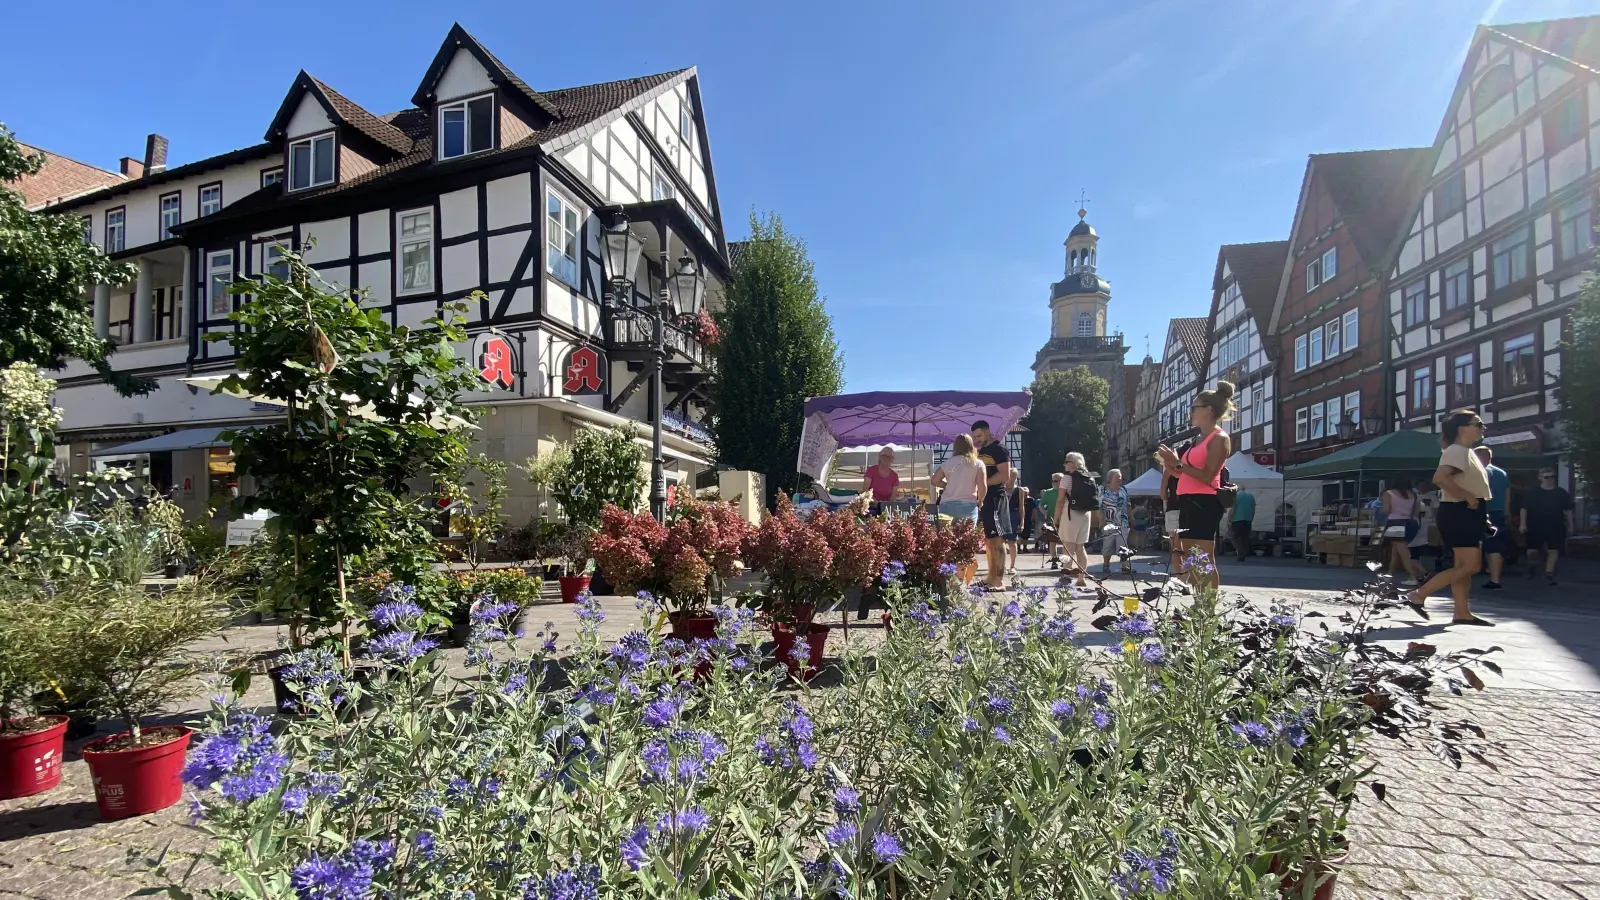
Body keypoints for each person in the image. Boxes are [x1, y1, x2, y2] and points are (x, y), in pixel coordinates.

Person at [1404, 409, 1494, 626]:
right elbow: (1440, 478)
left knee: (1463, 567)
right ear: (1463, 429)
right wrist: (1469, 499)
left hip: (1463, 511)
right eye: (1478, 424)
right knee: (1470, 566)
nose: (1483, 427)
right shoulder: (1457, 451)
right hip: (1460, 511)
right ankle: (1418, 595)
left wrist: (1479, 512)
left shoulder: (1465, 451)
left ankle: (1462, 613)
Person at [1157, 381, 1236, 591]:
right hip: (1187, 500)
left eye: (1194, 407)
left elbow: (1209, 476)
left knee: (1203, 557)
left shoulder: (1219, 438)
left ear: (1208, 410)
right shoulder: (1198, 439)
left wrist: (1178, 464)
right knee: (1191, 557)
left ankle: (1207, 606)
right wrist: (1170, 464)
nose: (1190, 412)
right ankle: (1199, 602)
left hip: (1205, 501)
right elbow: (1184, 473)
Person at [970, 420, 1012, 589]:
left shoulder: (999, 449)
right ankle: (990, 577)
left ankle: (999, 581)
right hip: (984, 500)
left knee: (997, 540)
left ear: (987, 431)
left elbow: (1004, 475)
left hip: (996, 498)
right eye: (975, 437)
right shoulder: (981, 451)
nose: (977, 440)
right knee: (988, 540)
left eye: (979, 436)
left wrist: (983, 484)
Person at [1520, 468, 1573, 586]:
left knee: (1553, 549)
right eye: (1547, 477)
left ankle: (1549, 572)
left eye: (1552, 476)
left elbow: (1568, 510)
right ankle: (1532, 566)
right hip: (1535, 525)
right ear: (1540, 478)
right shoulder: (1533, 492)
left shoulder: (1561, 493)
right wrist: (1523, 524)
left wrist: (1571, 525)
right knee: (1532, 550)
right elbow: (1524, 508)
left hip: (1555, 525)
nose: (1550, 479)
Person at [1056, 452, 1096, 589]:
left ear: (1072, 463)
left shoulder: (1067, 478)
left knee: (1068, 547)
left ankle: (1065, 578)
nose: (1064, 464)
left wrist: (1056, 517)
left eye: (1066, 461)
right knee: (1080, 547)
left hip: (1071, 513)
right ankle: (1081, 578)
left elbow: (1060, 500)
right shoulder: (1089, 477)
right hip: (1085, 514)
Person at [1474, 446, 1509, 590]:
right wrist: (1507, 512)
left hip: (1485, 512)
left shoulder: (1480, 472)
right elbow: (1508, 494)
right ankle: (1493, 576)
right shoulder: (1502, 473)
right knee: (1494, 545)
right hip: (1499, 512)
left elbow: (1478, 494)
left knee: (1491, 546)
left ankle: (1495, 580)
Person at [1380, 476, 1425, 586]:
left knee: (1402, 552)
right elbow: (1416, 512)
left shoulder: (1389, 493)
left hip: (1395, 523)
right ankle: (1390, 574)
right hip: (1411, 523)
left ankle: (1412, 575)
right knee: (1397, 550)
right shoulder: (1414, 495)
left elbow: (1386, 510)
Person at [1099, 469, 1131, 574]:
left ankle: (1125, 567)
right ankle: (1106, 565)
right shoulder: (1103, 490)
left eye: (1120, 477)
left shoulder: (1123, 490)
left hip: (1123, 522)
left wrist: (1132, 518)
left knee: (1123, 545)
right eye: (1117, 477)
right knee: (1107, 545)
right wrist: (1101, 520)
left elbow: (1128, 505)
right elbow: (1099, 507)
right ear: (1110, 478)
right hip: (1108, 522)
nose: (1119, 479)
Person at [863, 447, 900, 512]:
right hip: (870, 508)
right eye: (883, 456)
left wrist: (889, 508)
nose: (885, 458)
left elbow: (893, 498)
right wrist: (878, 504)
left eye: (888, 457)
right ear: (879, 457)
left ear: (892, 459)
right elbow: (865, 491)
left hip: (886, 509)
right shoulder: (871, 471)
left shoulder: (894, 476)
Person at [1040, 473, 1065, 566]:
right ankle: (1054, 560)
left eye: (1056, 481)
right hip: (1051, 520)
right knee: (1052, 541)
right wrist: (1044, 511)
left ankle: (1064, 561)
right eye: (1053, 481)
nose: (1053, 483)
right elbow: (1041, 504)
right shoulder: (1048, 492)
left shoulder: (1067, 492)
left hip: (1065, 520)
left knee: (1066, 541)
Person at [1229, 487, 1256, 563]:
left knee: (1236, 537)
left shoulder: (1235, 497)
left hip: (1237, 519)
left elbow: (1232, 509)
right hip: (1248, 519)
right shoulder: (1251, 497)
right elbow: (1253, 509)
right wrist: (1251, 518)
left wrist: (1229, 519)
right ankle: (1244, 552)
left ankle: (1241, 553)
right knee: (1245, 537)